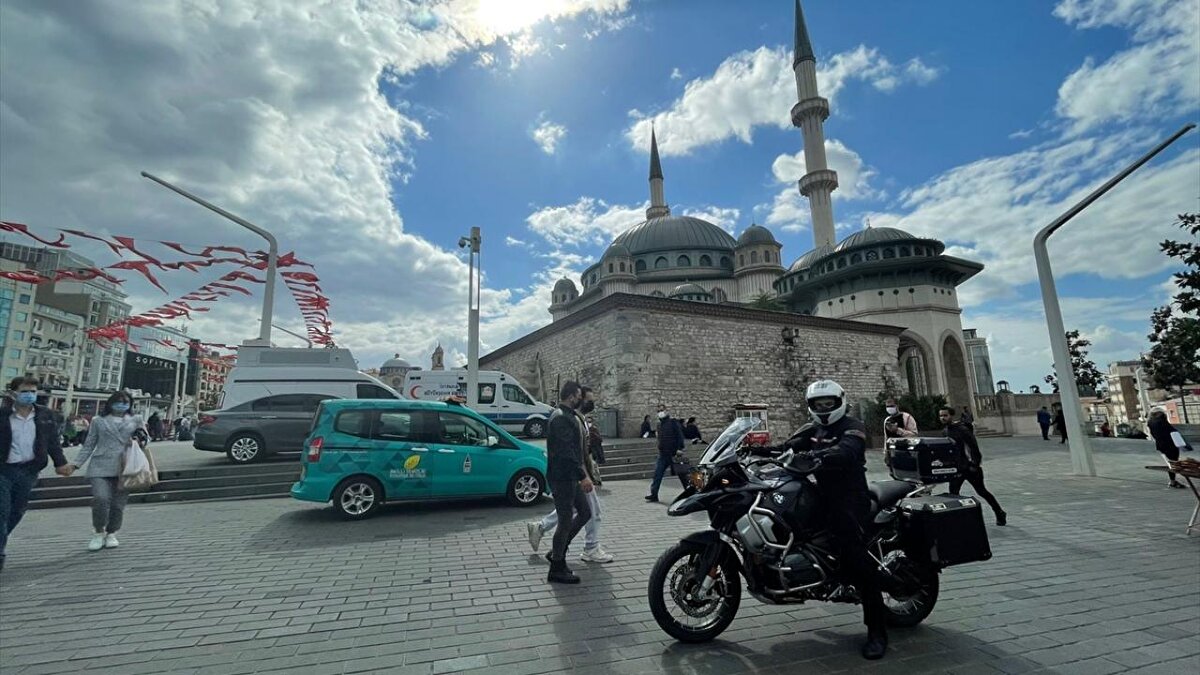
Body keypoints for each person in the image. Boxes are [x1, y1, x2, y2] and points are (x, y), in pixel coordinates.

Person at [773, 380, 888, 660]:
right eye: (818, 404)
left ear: (840, 402)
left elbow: (848, 451)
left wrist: (818, 456)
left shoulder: (853, 425)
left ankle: (877, 631)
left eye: (828, 403)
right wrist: (759, 451)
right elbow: (789, 445)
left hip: (850, 499)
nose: (823, 409)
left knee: (856, 558)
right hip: (821, 495)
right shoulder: (814, 428)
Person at [528, 388, 613, 564]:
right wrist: (584, 476)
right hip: (573, 475)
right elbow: (572, 451)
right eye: (588, 399)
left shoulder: (578, 419)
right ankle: (587, 548)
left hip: (577, 473)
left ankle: (546, 533)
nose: (590, 403)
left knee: (578, 510)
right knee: (587, 512)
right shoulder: (567, 419)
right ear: (576, 399)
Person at [62, 391, 147, 552]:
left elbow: (145, 439)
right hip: (100, 465)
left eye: (125, 402)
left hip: (126, 466)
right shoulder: (98, 421)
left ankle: (112, 532)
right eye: (118, 402)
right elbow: (89, 444)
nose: (122, 405)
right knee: (101, 498)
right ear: (110, 403)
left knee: (118, 505)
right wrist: (76, 464)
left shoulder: (136, 420)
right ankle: (98, 531)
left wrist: (139, 437)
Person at [0, 377, 70, 572]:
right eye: (24, 391)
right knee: (2, 511)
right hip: (4, 470)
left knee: (17, 511)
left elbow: (53, 442)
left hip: (30, 470)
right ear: (13, 393)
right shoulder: (3, 415)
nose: (29, 394)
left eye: (32, 391)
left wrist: (61, 463)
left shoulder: (45, 415)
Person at [544, 381, 594, 584]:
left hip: (568, 475)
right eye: (579, 396)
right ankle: (557, 567)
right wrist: (583, 476)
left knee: (585, 513)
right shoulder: (562, 418)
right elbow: (567, 452)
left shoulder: (565, 415)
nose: (581, 399)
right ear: (573, 396)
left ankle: (558, 551)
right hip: (563, 477)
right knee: (565, 520)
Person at [939, 407, 1006, 526]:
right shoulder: (945, 431)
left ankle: (999, 511)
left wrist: (974, 464)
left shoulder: (962, 429)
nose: (943, 418)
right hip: (956, 469)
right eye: (941, 416)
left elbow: (973, 447)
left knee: (982, 491)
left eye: (945, 415)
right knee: (953, 493)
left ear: (951, 416)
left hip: (970, 468)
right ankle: (957, 518)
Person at [645, 403, 685, 503]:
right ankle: (654, 494)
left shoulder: (672, 422)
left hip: (674, 453)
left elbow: (679, 435)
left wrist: (680, 448)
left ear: (666, 411)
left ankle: (690, 492)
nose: (660, 413)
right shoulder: (659, 425)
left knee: (683, 475)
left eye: (661, 410)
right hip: (663, 454)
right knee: (657, 474)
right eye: (658, 411)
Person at [1148, 408, 1193, 489]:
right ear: (1159, 413)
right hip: (1170, 445)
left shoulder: (1150, 422)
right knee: (1173, 463)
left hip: (1161, 446)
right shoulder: (1161, 421)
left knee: (1171, 463)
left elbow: (1154, 435)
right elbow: (1171, 431)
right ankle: (1173, 481)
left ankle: (1173, 481)